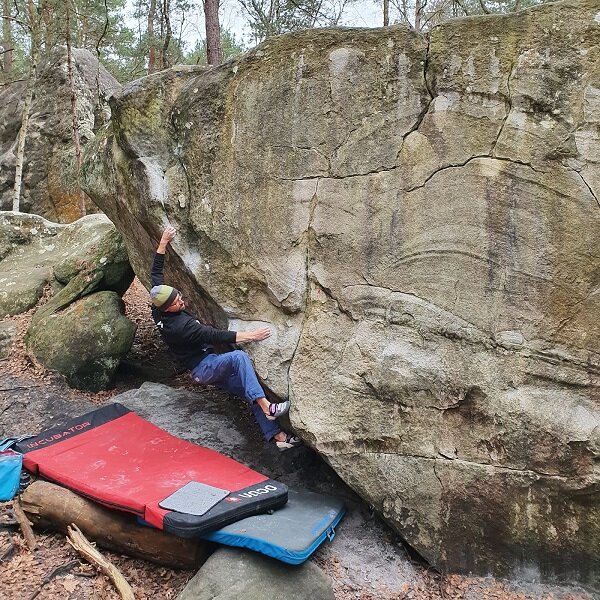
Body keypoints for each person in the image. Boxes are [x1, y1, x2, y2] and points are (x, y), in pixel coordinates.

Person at [150, 225, 301, 451]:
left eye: (179, 296)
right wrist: (252, 335)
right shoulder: (181, 327)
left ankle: (278, 437)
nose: (181, 301)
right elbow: (215, 335)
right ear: (168, 309)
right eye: (177, 302)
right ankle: (269, 408)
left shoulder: (157, 304)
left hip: (206, 366)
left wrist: (163, 242)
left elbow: (155, 274)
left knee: (247, 389)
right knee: (239, 358)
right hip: (205, 367)